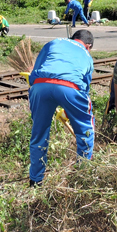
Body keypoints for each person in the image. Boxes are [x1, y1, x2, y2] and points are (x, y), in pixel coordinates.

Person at [27, 30, 95, 186]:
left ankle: (36, 181)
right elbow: (84, 89)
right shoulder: (86, 55)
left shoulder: (54, 42)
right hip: (70, 88)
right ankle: (83, 177)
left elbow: (36, 69)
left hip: (40, 87)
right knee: (86, 128)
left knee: (39, 134)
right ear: (88, 46)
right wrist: (70, 111)